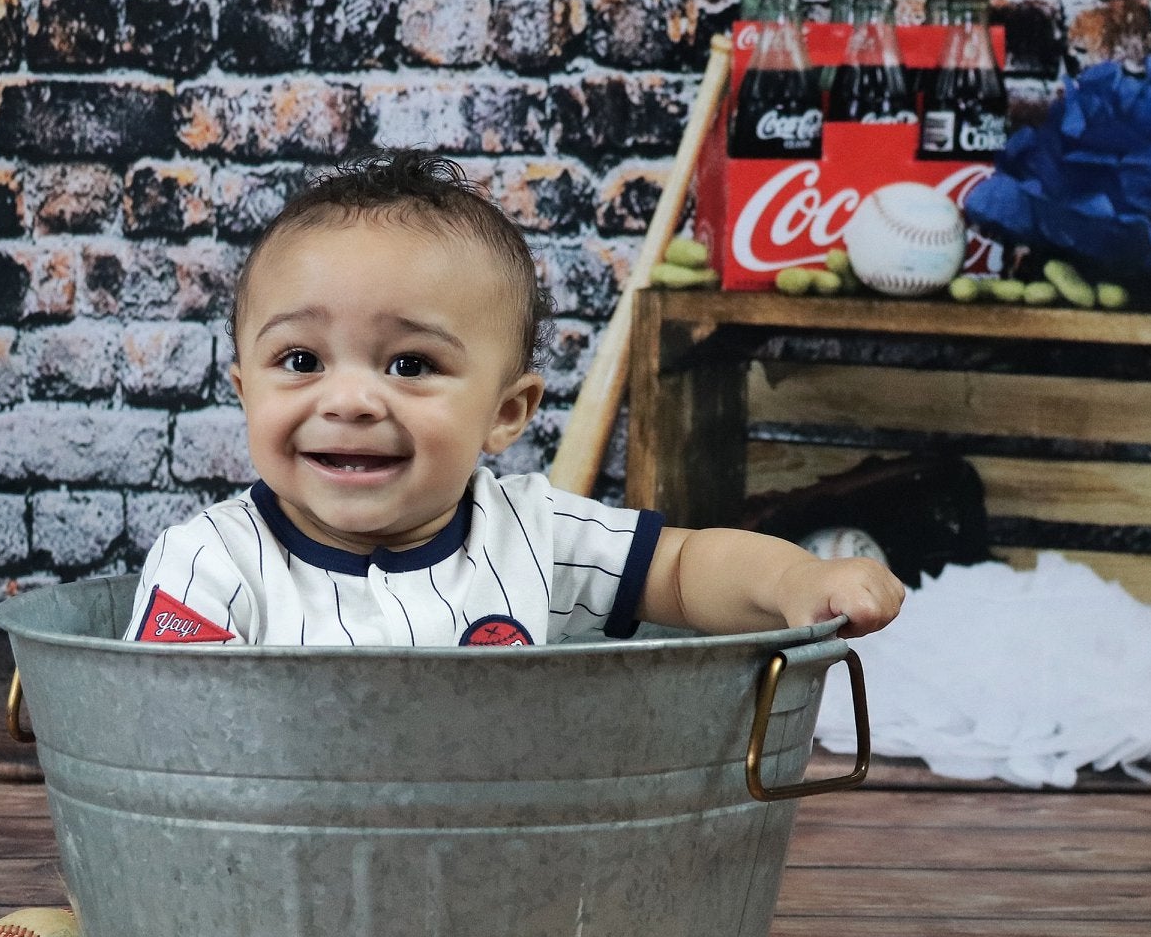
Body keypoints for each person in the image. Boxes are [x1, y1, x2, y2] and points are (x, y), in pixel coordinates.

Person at [126, 149, 903, 647]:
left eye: (409, 363)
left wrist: (794, 581)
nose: (352, 399)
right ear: (242, 389)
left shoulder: (531, 533)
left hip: (502, 873)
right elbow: (176, 734)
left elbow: (685, 566)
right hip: (278, 880)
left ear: (506, 412)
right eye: (300, 358)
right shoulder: (211, 561)